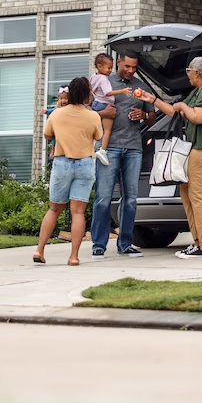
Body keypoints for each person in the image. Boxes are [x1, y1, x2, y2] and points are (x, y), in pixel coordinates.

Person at [133, 56, 202, 259]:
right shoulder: (196, 92)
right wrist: (153, 100)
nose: (187, 73)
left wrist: (183, 106)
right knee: (186, 193)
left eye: (189, 70)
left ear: (197, 72)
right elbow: (176, 112)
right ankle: (197, 242)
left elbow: (197, 117)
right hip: (198, 149)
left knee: (199, 197)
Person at [89, 50, 155, 259]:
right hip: (107, 149)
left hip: (134, 148)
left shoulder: (141, 87)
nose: (130, 71)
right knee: (103, 197)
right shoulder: (103, 82)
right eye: (127, 66)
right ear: (119, 62)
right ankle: (98, 245)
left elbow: (152, 117)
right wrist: (103, 113)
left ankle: (125, 244)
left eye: (134, 68)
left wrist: (143, 115)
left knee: (131, 198)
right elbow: (86, 110)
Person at [34, 76, 104, 266]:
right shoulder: (93, 116)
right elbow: (98, 136)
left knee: (54, 209)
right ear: (87, 95)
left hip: (62, 162)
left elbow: (48, 135)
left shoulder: (57, 114)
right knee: (78, 212)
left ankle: (39, 250)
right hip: (84, 164)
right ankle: (73, 256)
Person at [89, 52, 136, 165]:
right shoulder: (104, 79)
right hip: (104, 104)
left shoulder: (93, 77)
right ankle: (103, 150)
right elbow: (108, 92)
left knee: (100, 129)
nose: (110, 70)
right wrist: (122, 91)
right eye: (109, 68)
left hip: (96, 103)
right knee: (108, 130)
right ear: (99, 66)